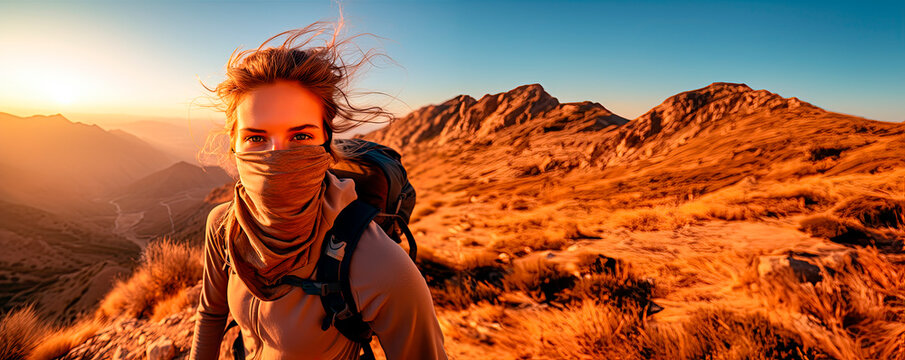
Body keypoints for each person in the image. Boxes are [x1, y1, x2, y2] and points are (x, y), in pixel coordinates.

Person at [188, 17, 448, 360]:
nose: (277, 157)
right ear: (233, 145)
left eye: (300, 136)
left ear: (326, 143)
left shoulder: (381, 266)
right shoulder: (224, 225)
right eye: (255, 137)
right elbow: (210, 315)